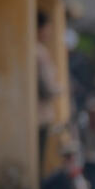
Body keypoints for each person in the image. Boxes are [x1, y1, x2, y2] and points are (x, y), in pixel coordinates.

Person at [36, 11, 61, 173]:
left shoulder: (35, 50)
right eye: (47, 28)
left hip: (37, 115)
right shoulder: (39, 52)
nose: (49, 32)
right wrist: (60, 89)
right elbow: (47, 88)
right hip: (40, 115)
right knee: (39, 159)